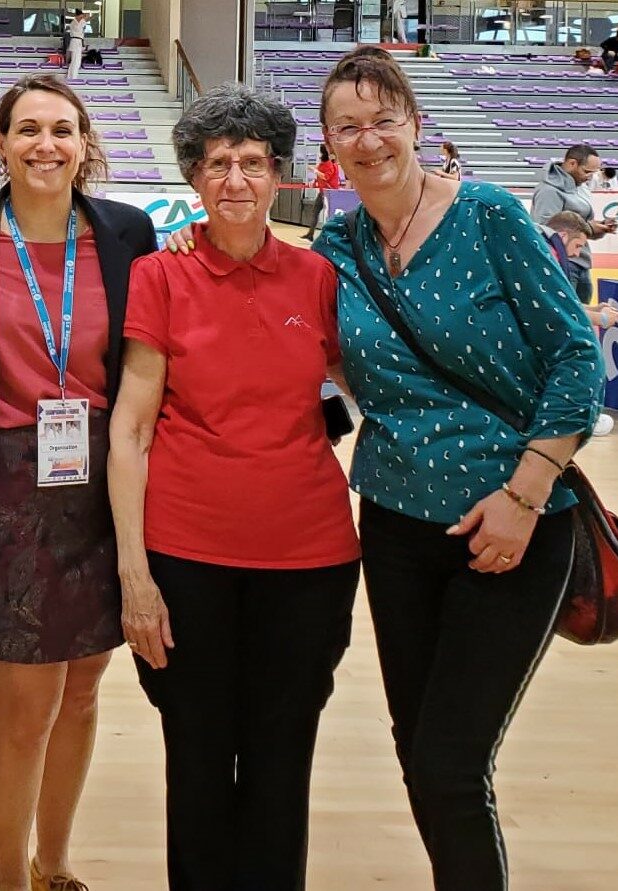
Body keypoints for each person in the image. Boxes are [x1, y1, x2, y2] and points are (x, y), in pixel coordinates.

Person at [312, 47, 602, 891]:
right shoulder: (335, 247)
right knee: (421, 757)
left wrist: (525, 493)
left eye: (383, 120)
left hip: (514, 524)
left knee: (448, 759)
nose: (368, 140)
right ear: (330, 143)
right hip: (398, 527)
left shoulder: (487, 216)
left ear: (416, 125)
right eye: (348, 126)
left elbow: (575, 361)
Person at [110, 82, 361, 891]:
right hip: (187, 555)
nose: (236, 180)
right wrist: (134, 574)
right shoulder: (160, 275)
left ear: (278, 174)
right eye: (218, 163)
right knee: (197, 751)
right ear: (194, 177)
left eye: (252, 162)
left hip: (311, 559)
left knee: (283, 756)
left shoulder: (319, 276)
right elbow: (131, 428)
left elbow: (350, 388)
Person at [0, 74, 156, 891]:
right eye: (27, 129)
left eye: (63, 129)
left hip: (103, 478)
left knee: (86, 689)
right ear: (0, 143)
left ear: (85, 141)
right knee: (25, 703)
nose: (45, 145)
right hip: (4, 487)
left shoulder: (127, 232)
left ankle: (53, 864)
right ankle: (6, 876)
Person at [533, 143, 617, 304]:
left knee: (582, 313)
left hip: (581, 261)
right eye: (587, 172)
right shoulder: (549, 191)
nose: (590, 177)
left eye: (593, 173)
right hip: (562, 263)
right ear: (572, 164)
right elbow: (545, 229)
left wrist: (599, 227)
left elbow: (580, 224)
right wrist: (590, 228)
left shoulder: (579, 187)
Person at [303, 144, 340, 240]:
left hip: (330, 193)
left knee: (329, 215)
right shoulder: (322, 164)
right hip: (322, 192)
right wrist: (314, 181)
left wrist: (314, 171)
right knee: (315, 212)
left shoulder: (330, 164)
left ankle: (329, 237)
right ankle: (310, 234)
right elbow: (320, 176)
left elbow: (325, 177)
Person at [65, 8, 89, 81]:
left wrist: (82, 16)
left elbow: (86, 18)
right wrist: (83, 16)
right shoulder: (74, 22)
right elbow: (86, 17)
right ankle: (72, 78)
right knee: (75, 62)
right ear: (77, 16)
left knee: (76, 61)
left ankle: (71, 77)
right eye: (80, 17)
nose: (82, 18)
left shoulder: (78, 22)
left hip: (77, 42)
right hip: (75, 42)